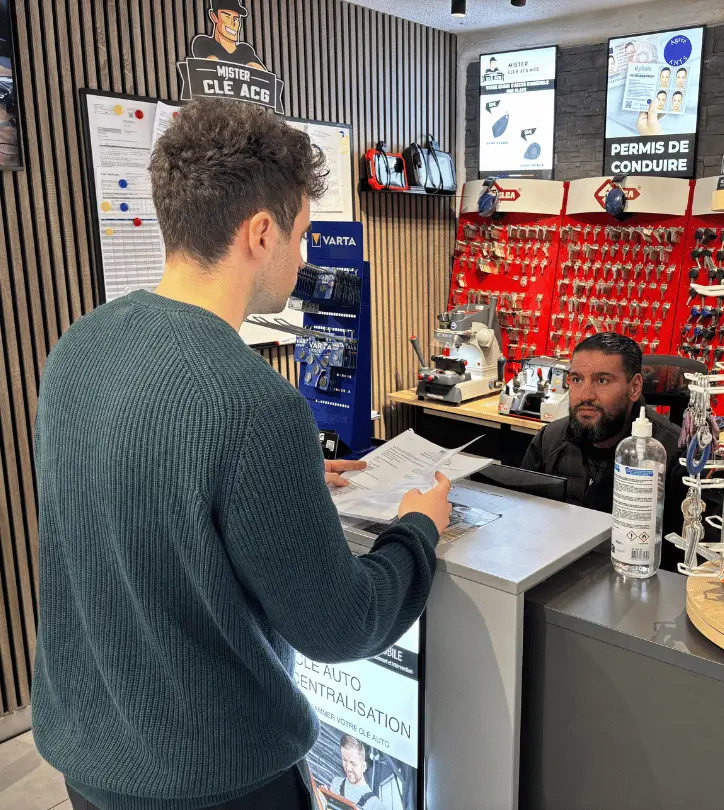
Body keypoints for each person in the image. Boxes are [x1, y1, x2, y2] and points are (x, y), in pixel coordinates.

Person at [32, 97, 452, 810]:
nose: (303, 255)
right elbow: (341, 624)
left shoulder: (79, 347)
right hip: (217, 779)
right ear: (261, 232)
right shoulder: (254, 403)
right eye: (302, 235)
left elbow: (139, 492)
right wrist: (419, 530)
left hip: (90, 763)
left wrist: (274, 487)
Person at [521, 334, 687, 571]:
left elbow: (684, 561)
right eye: (577, 379)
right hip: (560, 577)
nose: (585, 395)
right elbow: (523, 522)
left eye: (602, 381)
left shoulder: (672, 455)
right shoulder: (550, 440)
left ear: (635, 387)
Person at [191, 0, 265, 69]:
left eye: (236, 18)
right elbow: (210, 65)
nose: (233, 24)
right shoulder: (203, 44)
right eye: (227, 16)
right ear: (214, 17)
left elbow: (265, 77)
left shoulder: (245, 50)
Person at [328, 736, 386, 810]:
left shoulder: (375, 806)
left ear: (364, 766)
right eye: (344, 760)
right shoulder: (336, 783)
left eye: (353, 763)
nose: (348, 768)